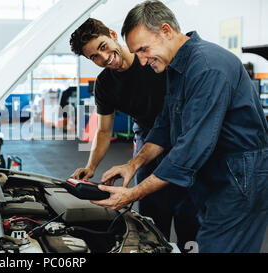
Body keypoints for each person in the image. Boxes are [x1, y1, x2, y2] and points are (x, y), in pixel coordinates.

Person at [94, 0, 268, 253]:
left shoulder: (207, 67)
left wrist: (133, 194)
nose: (141, 61)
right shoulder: (177, 68)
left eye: (143, 49)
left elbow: (191, 148)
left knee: (216, 246)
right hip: (215, 172)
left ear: (166, 31)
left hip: (240, 175)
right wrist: (132, 164)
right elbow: (165, 126)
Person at [69, 18, 198, 251]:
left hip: (180, 134)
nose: (104, 57)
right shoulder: (105, 84)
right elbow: (104, 130)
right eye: (94, 57)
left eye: (102, 46)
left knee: (187, 212)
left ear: (112, 34)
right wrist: (91, 166)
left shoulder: (150, 58)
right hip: (147, 137)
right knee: (151, 216)